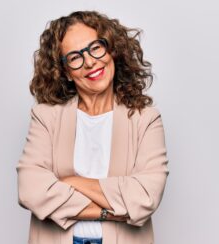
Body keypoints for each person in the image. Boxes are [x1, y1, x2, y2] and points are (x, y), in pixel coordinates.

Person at [16, 10, 169, 244]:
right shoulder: (45, 117)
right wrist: (110, 210)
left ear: (112, 50)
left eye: (95, 47)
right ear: (65, 71)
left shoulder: (145, 119)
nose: (89, 61)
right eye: (75, 57)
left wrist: (71, 182)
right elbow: (31, 191)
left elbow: (145, 197)